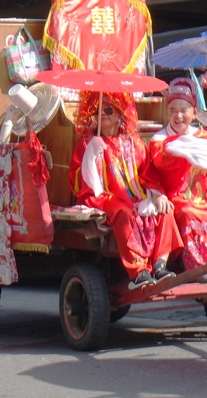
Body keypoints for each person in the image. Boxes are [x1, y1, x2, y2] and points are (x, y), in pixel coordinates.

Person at [68, 91, 182, 289]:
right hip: (101, 197)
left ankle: (160, 266)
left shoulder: (135, 143)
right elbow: (76, 182)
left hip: (136, 195)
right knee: (124, 212)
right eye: (97, 110)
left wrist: (158, 195)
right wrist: (90, 159)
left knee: (166, 210)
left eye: (108, 110)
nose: (102, 114)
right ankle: (137, 272)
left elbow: (148, 173)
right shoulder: (86, 143)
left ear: (119, 114)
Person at [148, 77, 207, 283]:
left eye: (184, 110)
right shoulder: (160, 140)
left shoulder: (205, 135)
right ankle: (199, 267)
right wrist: (187, 147)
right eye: (173, 110)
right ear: (167, 112)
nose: (178, 116)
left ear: (193, 112)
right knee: (189, 213)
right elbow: (162, 161)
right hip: (178, 197)